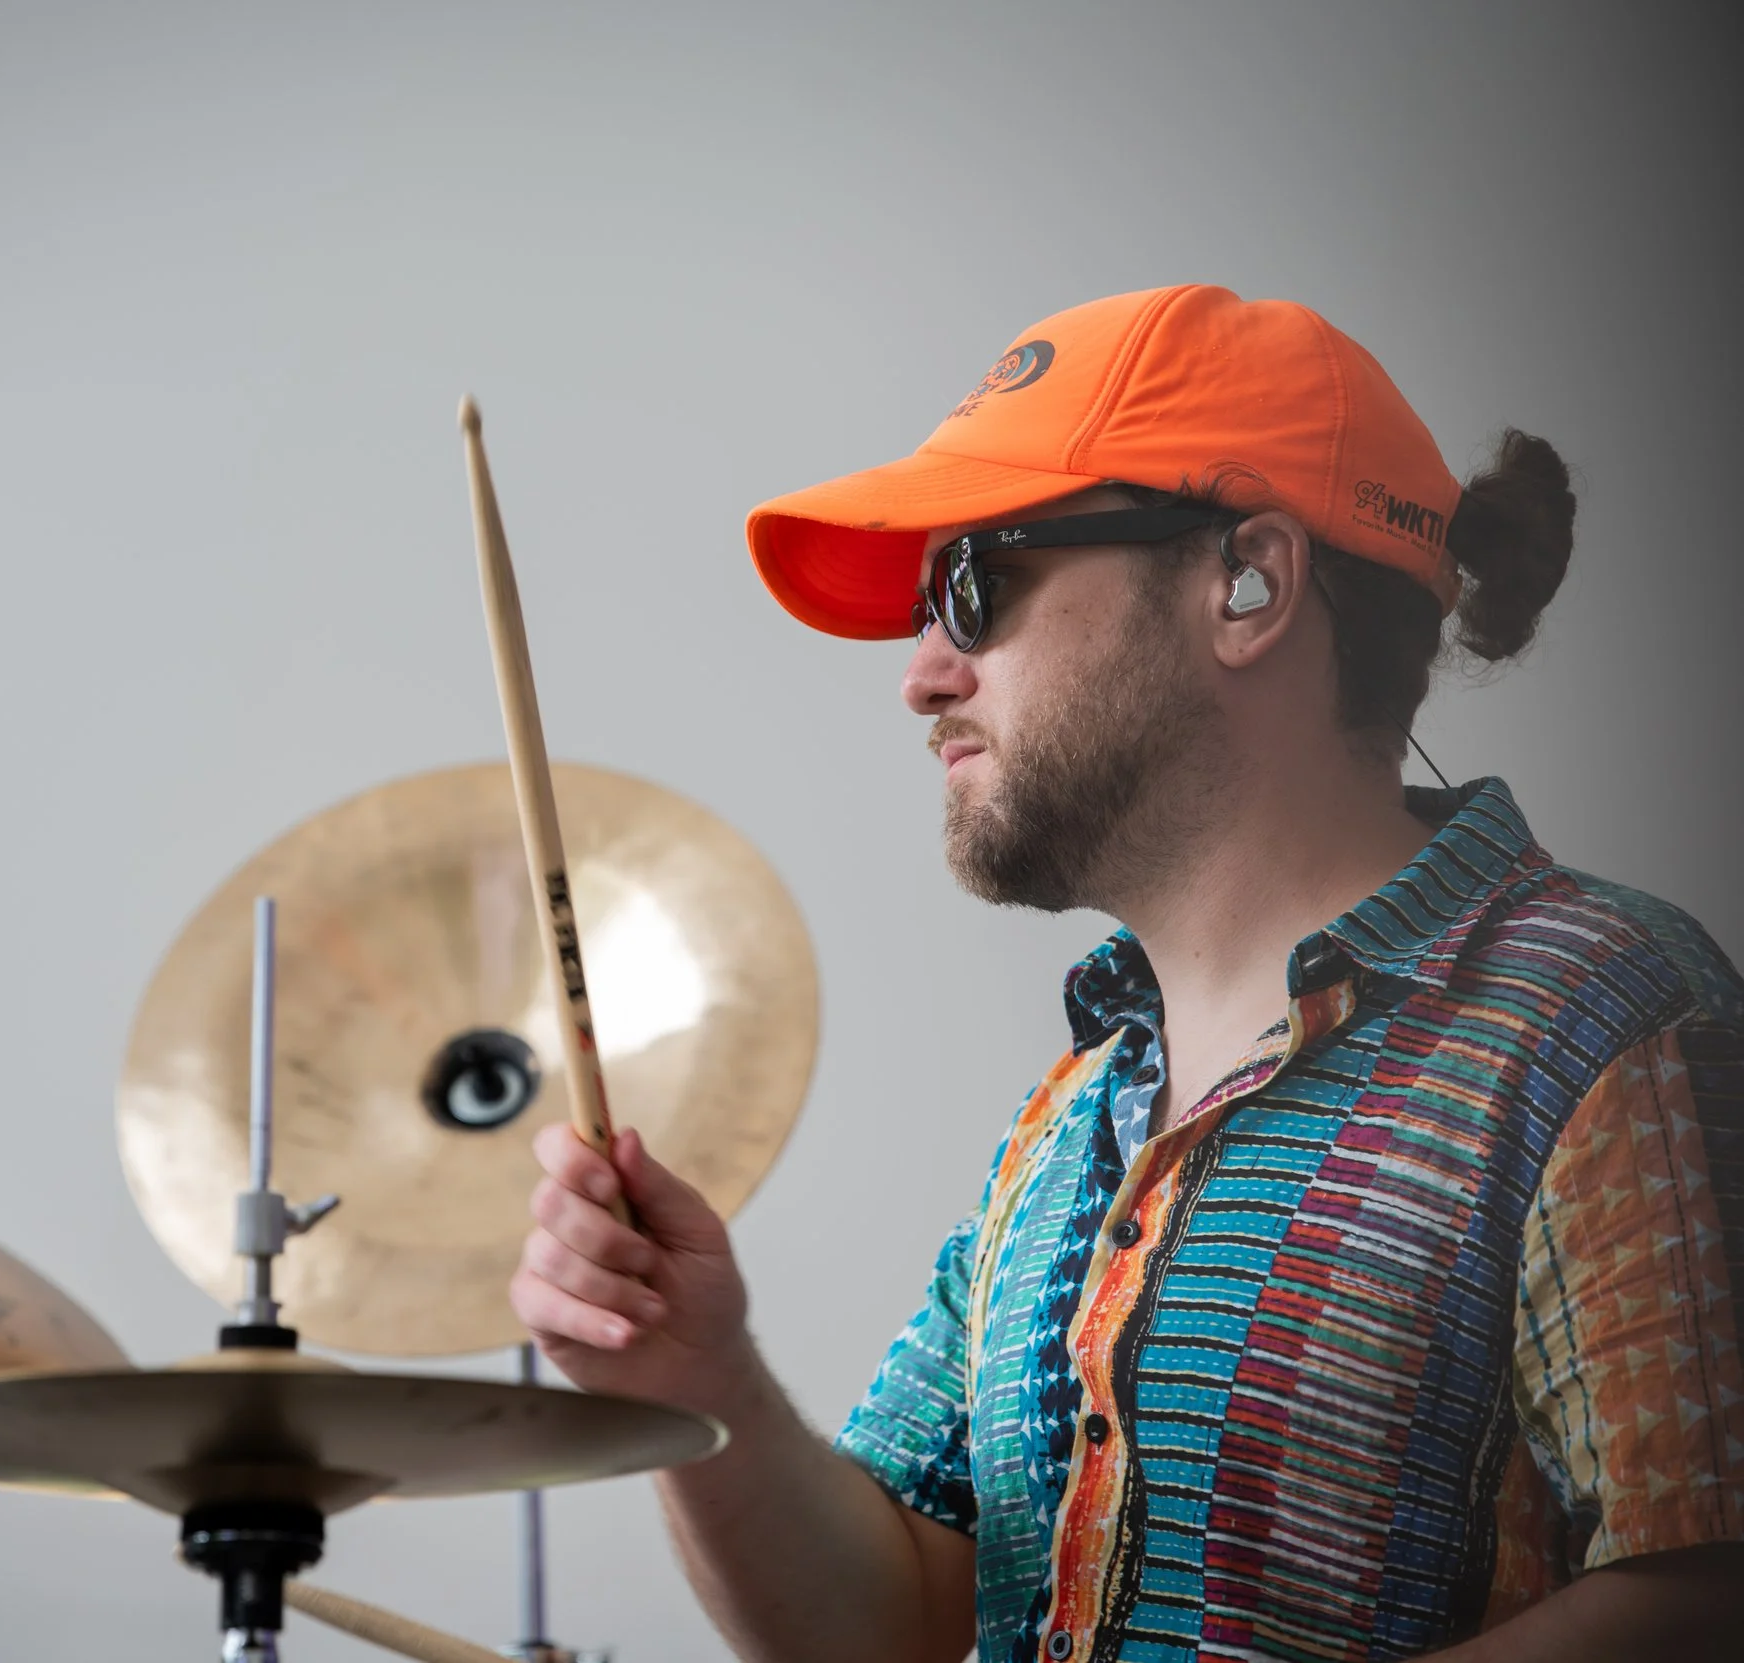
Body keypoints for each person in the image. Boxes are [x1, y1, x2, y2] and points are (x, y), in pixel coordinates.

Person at [510, 284, 1744, 1662]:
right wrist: (704, 1379)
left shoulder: (1607, 1018)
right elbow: (905, 1618)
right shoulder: (1074, 1109)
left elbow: (1706, 1594)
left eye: (973, 585)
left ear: (1248, 583)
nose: (921, 674)